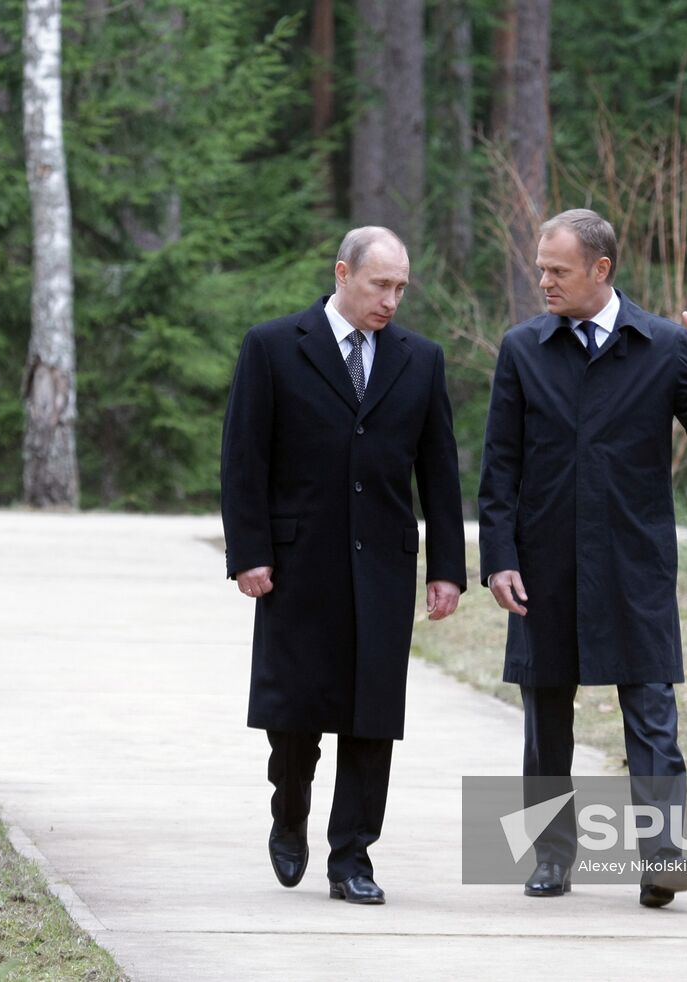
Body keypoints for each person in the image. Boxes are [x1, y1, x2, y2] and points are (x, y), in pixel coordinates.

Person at [477, 208, 687, 908]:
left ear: (601, 270)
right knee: (545, 720)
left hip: (634, 560)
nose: (543, 281)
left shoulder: (661, 345)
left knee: (653, 712)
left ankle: (662, 858)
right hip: (544, 562)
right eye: (540, 267)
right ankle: (550, 858)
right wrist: (499, 556)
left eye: (557, 270)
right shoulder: (524, 348)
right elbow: (499, 465)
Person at [220, 226, 467, 906]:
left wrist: (447, 568)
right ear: (342, 273)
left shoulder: (420, 359)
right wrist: (250, 553)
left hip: (383, 567)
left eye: (400, 289)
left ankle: (352, 857)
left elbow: (439, 474)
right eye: (379, 285)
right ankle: (289, 810)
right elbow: (245, 460)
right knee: (295, 712)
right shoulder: (273, 347)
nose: (391, 300)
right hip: (299, 563)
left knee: (371, 717)